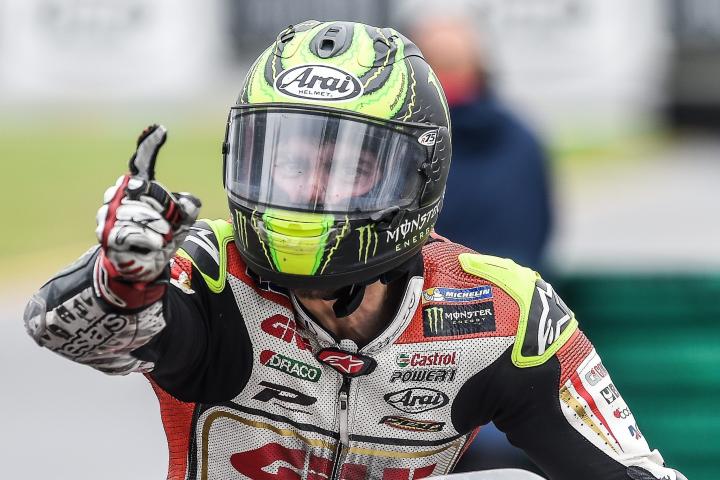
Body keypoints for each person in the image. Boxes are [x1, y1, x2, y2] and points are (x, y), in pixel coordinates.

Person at [24, 20, 685, 480]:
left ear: (419, 175)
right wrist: (119, 278)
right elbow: (62, 331)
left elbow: (634, 472)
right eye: (289, 163)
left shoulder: (505, 315)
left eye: (350, 168)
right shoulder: (209, 276)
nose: (310, 191)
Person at [412, 16, 552, 271]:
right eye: (439, 64)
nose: (447, 77)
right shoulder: (520, 136)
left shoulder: (405, 142)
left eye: (451, 64)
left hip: (450, 288)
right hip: (505, 286)